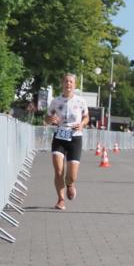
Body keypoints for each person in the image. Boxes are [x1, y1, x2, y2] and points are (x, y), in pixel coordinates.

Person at [46, 73, 89, 210]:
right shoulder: (55, 101)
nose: (68, 84)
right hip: (59, 136)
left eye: (71, 82)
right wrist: (51, 120)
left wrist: (82, 124)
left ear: (74, 85)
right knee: (59, 171)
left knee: (72, 176)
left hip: (75, 138)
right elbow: (47, 117)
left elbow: (86, 117)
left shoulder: (81, 101)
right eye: (66, 81)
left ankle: (70, 184)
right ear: (62, 83)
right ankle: (61, 199)